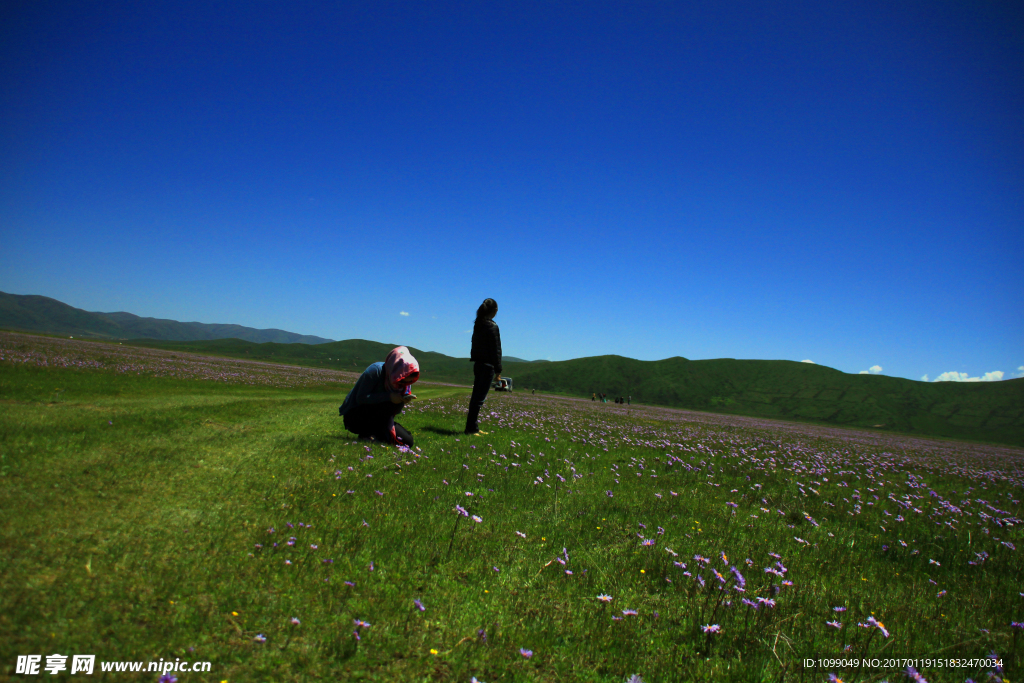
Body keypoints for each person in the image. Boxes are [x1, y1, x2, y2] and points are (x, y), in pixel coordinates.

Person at [339, 346, 419, 447]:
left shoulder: (405, 380)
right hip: (357, 416)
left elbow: (395, 411)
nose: (402, 384)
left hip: (382, 418)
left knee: (408, 442)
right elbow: (361, 398)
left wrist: (401, 401)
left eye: (408, 382)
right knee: (387, 434)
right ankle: (369, 433)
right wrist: (389, 397)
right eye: (401, 380)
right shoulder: (375, 371)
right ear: (396, 371)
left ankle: (376, 435)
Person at [465, 298, 501, 435]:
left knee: (476, 398)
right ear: (494, 311)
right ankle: (471, 429)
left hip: (478, 364)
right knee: (479, 399)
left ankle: (473, 427)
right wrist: (498, 370)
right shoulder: (492, 326)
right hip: (487, 366)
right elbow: (496, 350)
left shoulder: (478, 324)